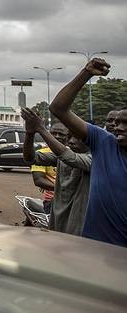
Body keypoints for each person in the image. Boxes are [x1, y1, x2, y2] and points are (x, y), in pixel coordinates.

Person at [49, 57, 127, 247]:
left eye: (126, 123)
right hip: (93, 246)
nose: (118, 127)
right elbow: (58, 108)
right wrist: (86, 73)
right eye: (117, 123)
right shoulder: (104, 142)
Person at [20, 108, 91, 236]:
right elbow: (29, 158)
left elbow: (70, 158)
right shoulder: (60, 156)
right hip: (57, 215)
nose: (71, 141)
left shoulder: (92, 158)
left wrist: (41, 129)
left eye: (77, 137)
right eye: (69, 136)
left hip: (79, 221)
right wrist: (30, 133)